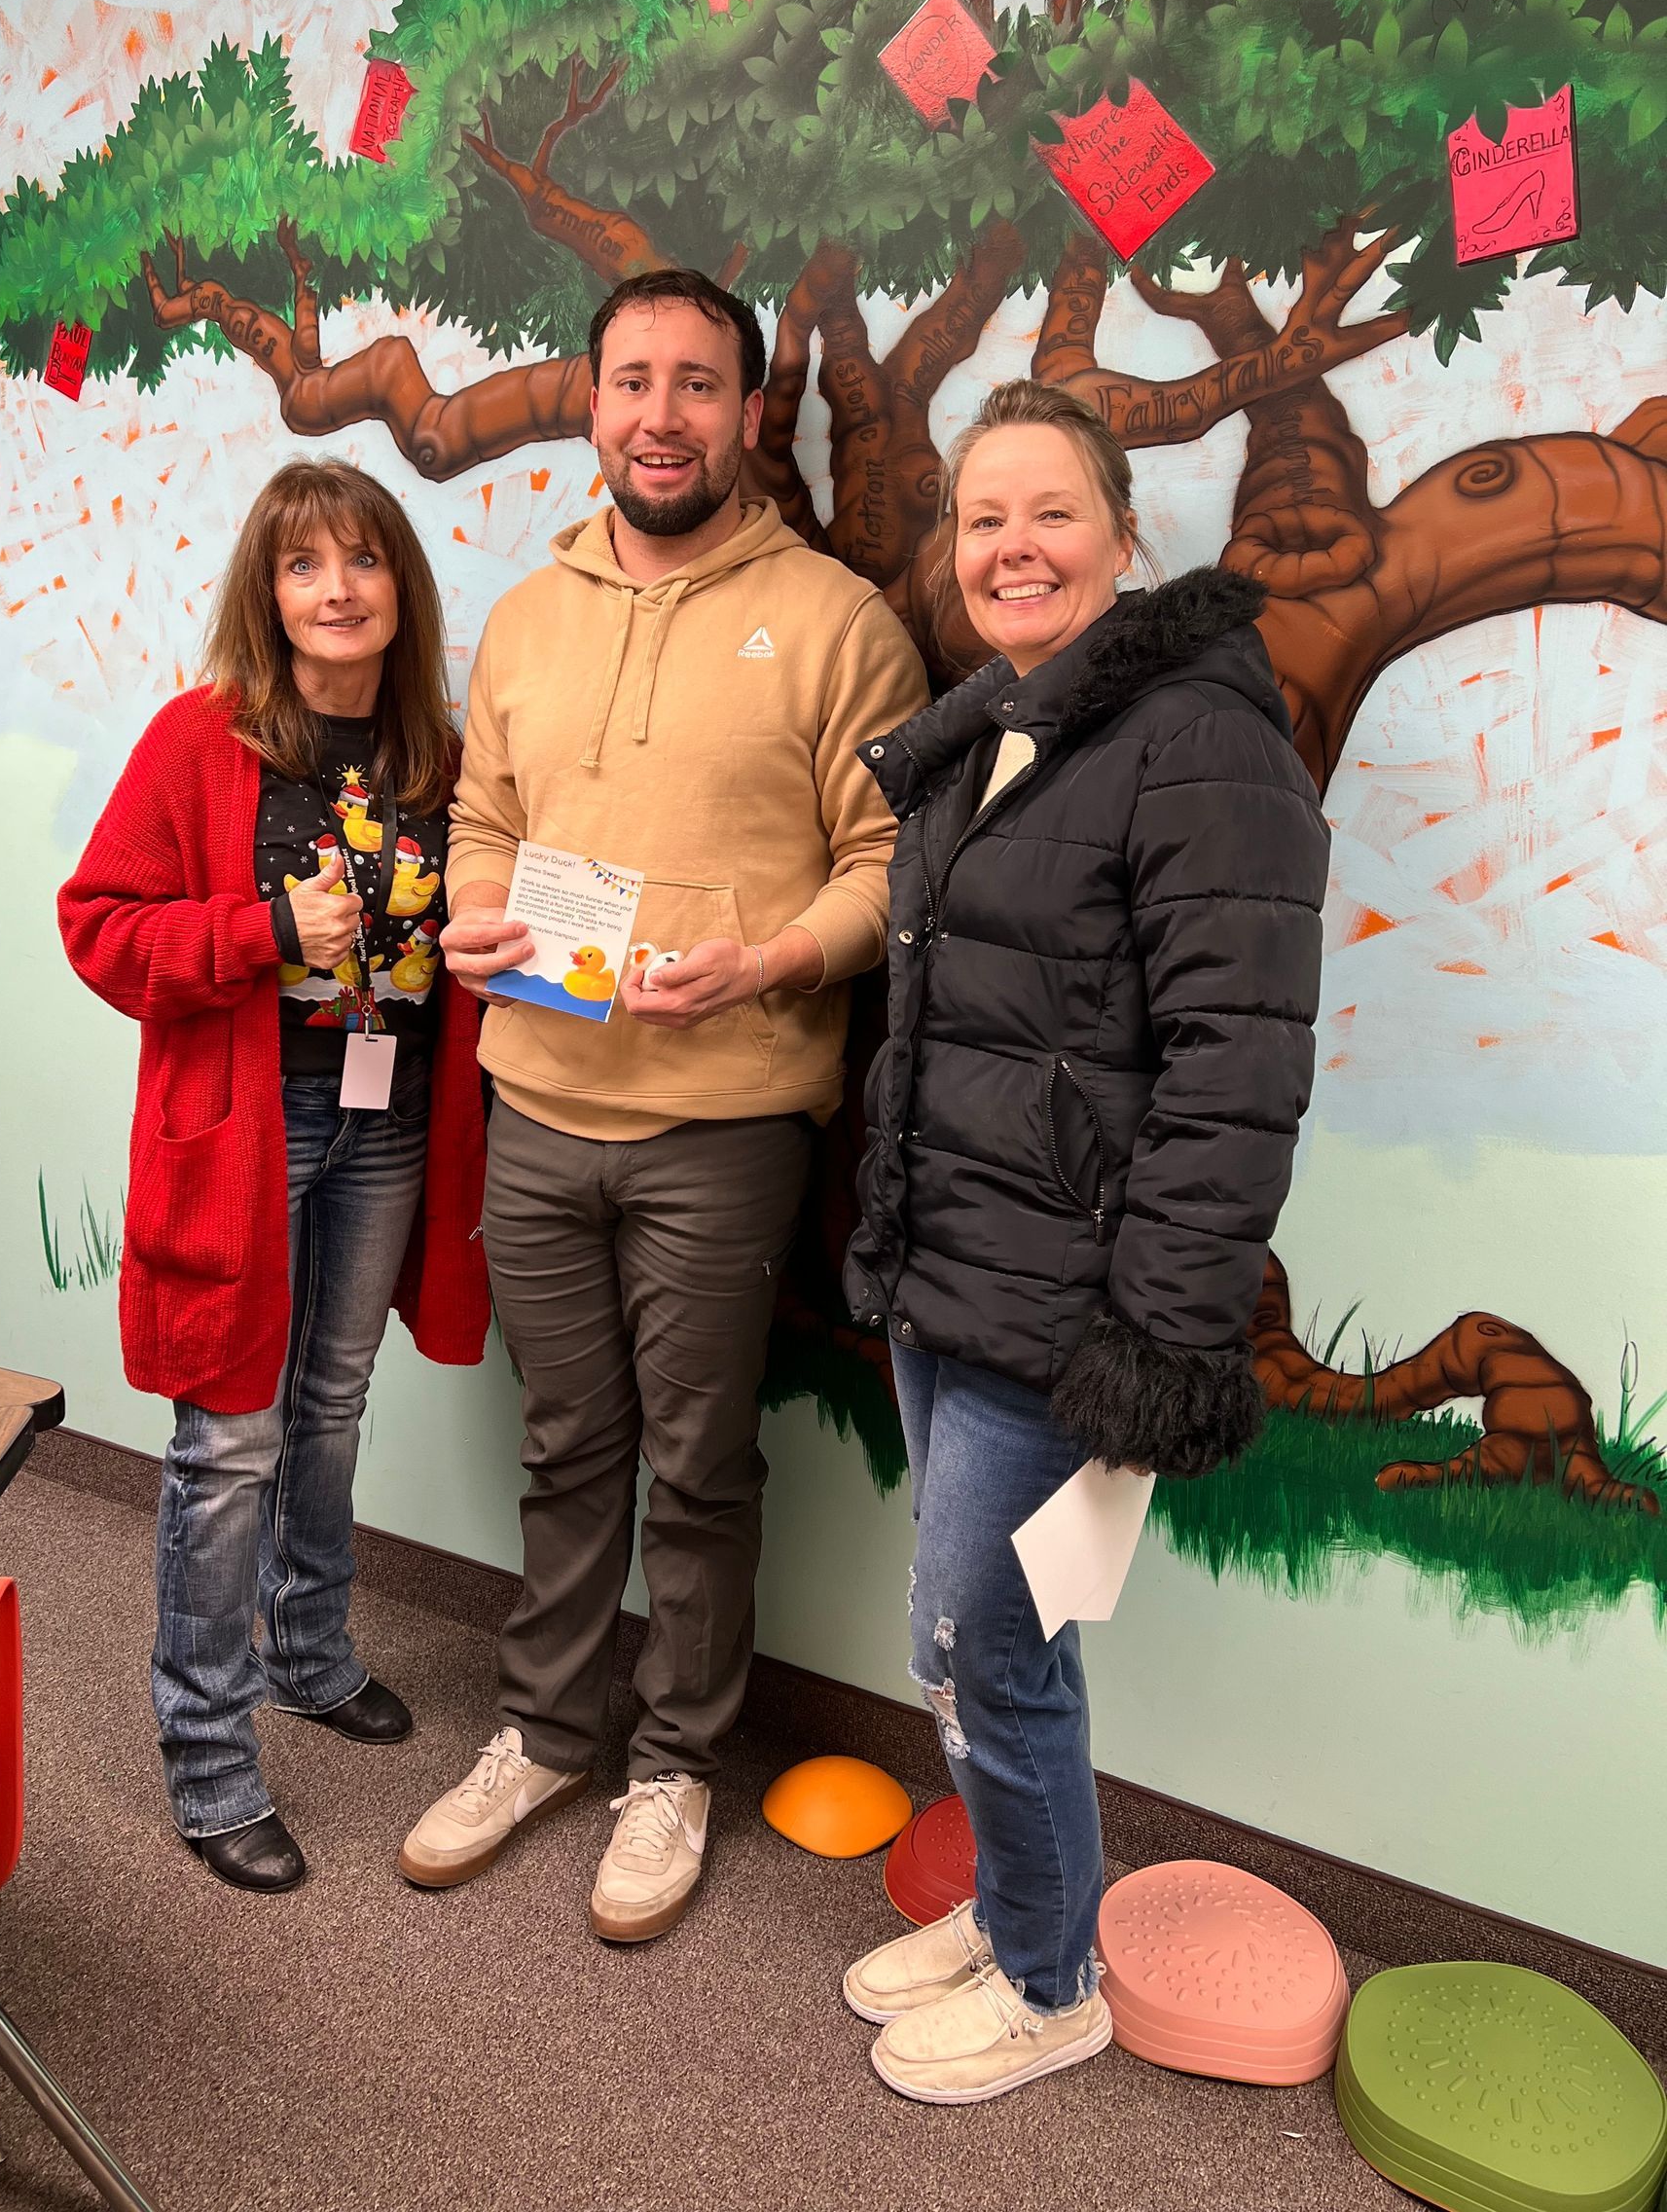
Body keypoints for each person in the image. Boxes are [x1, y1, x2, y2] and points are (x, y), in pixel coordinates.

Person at [400, 267, 927, 1940]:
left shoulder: (840, 622)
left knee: (697, 1466)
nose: (660, 414)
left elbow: (893, 866)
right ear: (592, 400)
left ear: (750, 411)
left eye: (699, 384)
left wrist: (775, 958)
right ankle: (549, 1731)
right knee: (569, 1447)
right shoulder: (529, 613)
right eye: (633, 380)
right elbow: (484, 811)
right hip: (539, 1099)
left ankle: (678, 1762)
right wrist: (473, 914)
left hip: (726, 1124)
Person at [842, 381, 1329, 2102]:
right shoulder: (998, 730)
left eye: (1052, 513)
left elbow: (1240, 1070)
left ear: (1126, 536)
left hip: (1073, 1313)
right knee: (960, 1639)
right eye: (984, 519)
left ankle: (1052, 1983)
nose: (1013, 547)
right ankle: (1015, 1905)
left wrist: (1156, 1336)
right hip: (952, 1274)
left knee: (995, 1644)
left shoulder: (1201, 739)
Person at [58, 459, 489, 1894]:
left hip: (389, 1119)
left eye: (363, 562)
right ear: (271, 590)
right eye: (306, 566)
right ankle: (209, 1757)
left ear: (397, 590)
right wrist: (255, 932)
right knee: (229, 1443)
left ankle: (307, 1655)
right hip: (252, 1125)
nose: (337, 590)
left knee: (334, 1404)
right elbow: (100, 927)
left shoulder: (438, 746)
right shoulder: (203, 738)